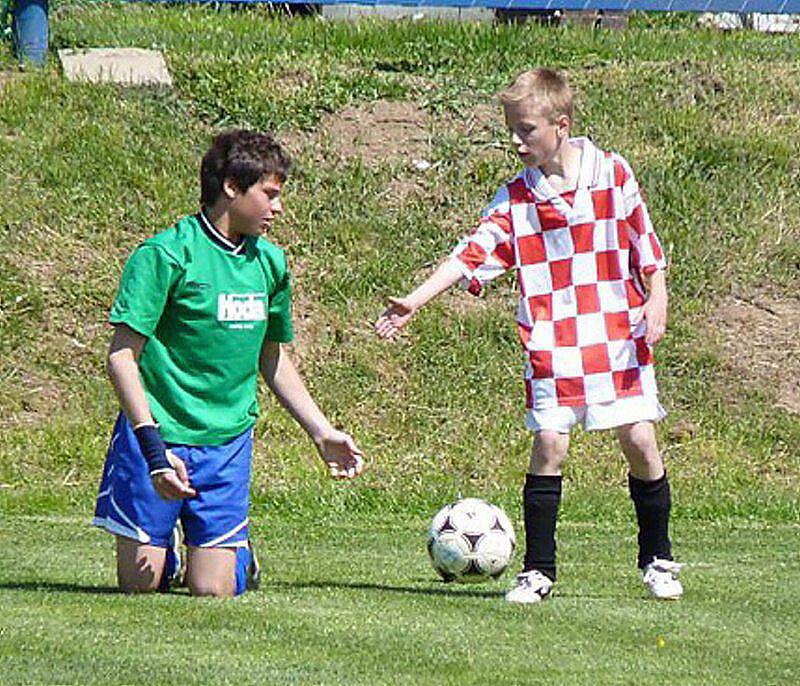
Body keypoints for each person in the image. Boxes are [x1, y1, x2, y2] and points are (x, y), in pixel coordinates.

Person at [376, 68, 681, 603]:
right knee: (549, 444)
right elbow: (473, 251)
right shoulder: (517, 198)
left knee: (639, 439)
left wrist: (657, 297)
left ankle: (657, 558)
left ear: (560, 125)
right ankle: (539, 570)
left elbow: (645, 243)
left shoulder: (612, 173)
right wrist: (415, 301)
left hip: (616, 330)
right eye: (511, 130)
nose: (516, 141)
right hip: (553, 338)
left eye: (526, 130)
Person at [94, 129, 364, 597]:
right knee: (140, 585)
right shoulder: (165, 256)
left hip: (226, 443)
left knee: (213, 592)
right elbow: (122, 357)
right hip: (158, 436)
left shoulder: (271, 264)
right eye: (271, 195)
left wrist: (321, 431)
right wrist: (153, 449)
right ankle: (169, 551)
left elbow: (272, 355)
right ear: (232, 188)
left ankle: (234, 557)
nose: (278, 208)